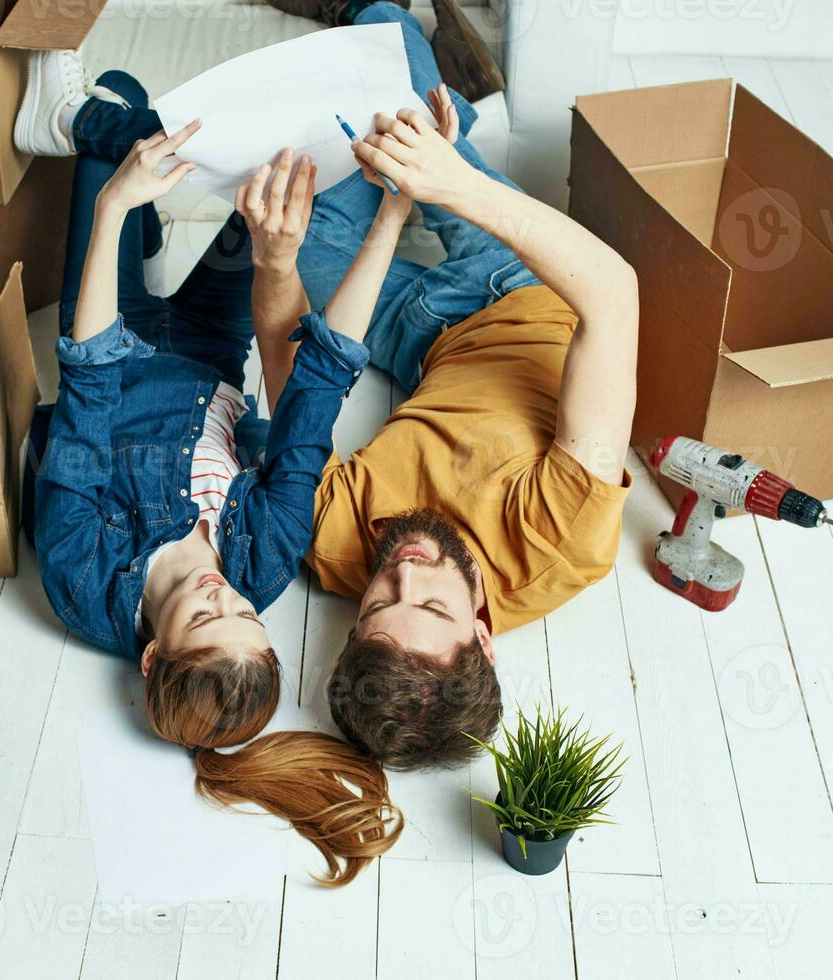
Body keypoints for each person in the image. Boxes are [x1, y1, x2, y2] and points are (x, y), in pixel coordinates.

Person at [16, 56, 405, 883]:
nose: (222, 594)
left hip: (112, 350)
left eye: (203, 617)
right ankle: (114, 160)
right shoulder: (261, 566)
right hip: (202, 344)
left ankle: (83, 141)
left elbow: (86, 384)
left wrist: (119, 207)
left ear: (153, 657)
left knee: (116, 122)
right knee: (289, 173)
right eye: (246, 615)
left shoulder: (79, 581)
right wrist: (395, 216)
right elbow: (315, 396)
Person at [264, 1, 640, 770]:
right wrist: (450, 182)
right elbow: (612, 291)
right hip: (533, 287)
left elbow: (291, 365)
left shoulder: (337, 549)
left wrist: (279, 261)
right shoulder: (554, 542)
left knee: (313, 162)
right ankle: (421, 64)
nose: (402, 568)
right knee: (402, 118)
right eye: (430, 602)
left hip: (418, 333)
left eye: (377, 605)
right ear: (481, 633)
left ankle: (414, 70)